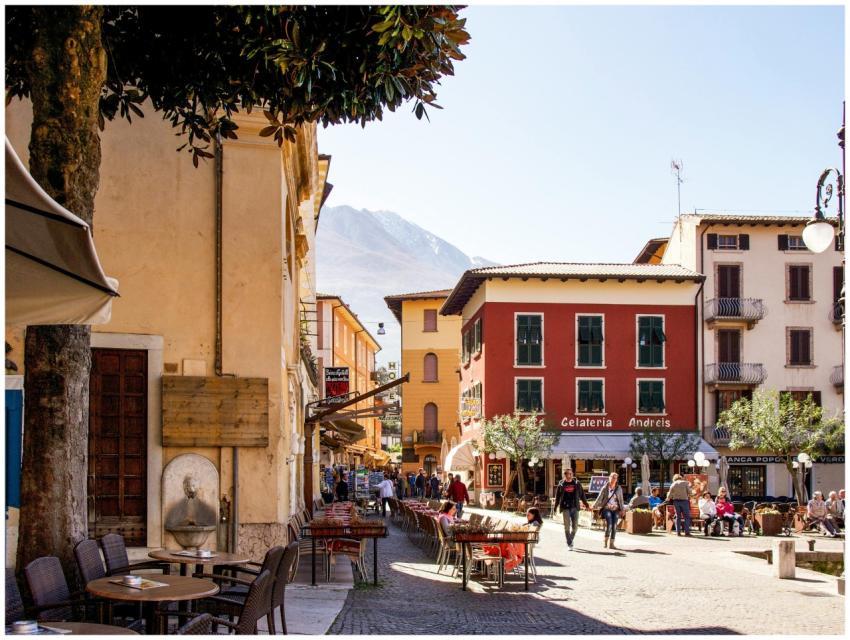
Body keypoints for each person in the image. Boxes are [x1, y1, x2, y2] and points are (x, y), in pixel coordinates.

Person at [554, 468, 590, 551]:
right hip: (565, 507)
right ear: (565, 475)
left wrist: (586, 505)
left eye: (571, 474)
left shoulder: (577, 483)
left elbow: (582, 495)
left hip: (575, 507)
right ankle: (569, 543)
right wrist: (556, 507)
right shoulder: (561, 484)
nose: (570, 475)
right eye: (568, 474)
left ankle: (570, 540)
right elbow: (557, 497)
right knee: (567, 527)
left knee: (575, 527)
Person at [592, 472, 625, 550]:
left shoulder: (619, 488)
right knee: (609, 524)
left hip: (616, 509)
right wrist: (594, 505)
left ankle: (612, 544)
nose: (614, 479)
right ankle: (605, 541)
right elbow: (600, 497)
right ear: (609, 478)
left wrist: (622, 509)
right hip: (607, 508)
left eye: (615, 478)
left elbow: (621, 499)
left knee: (614, 526)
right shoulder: (605, 488)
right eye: (613, 477)